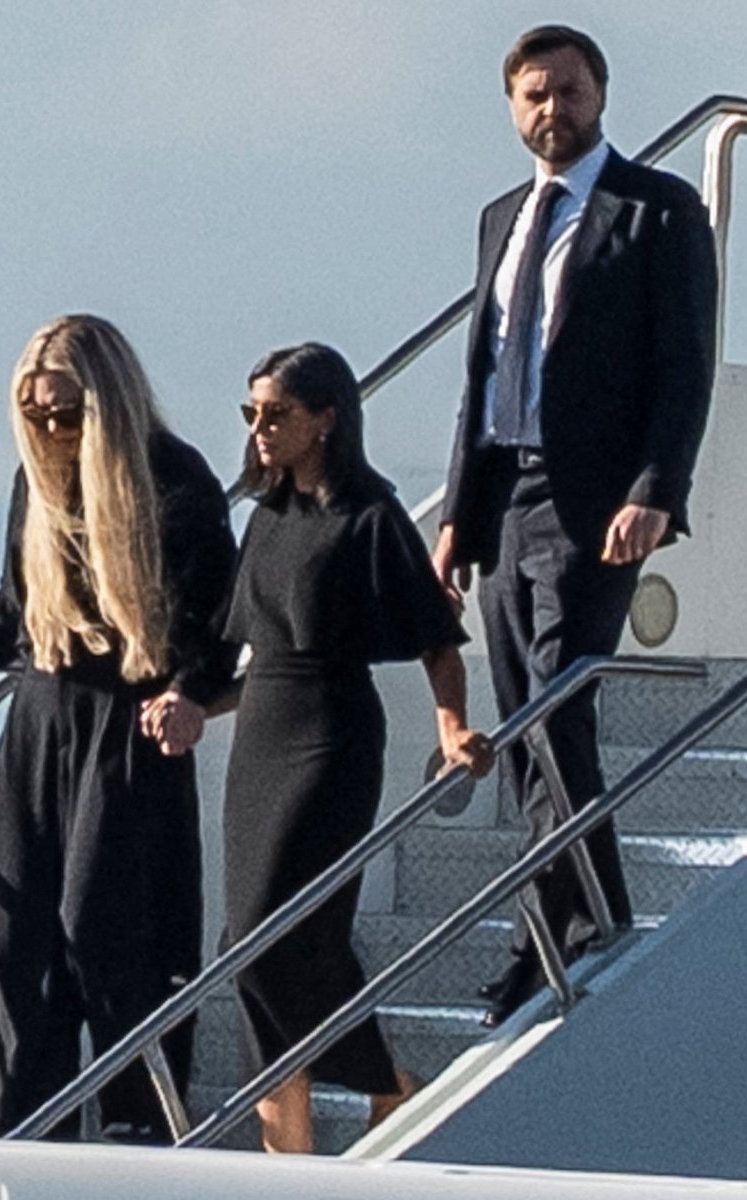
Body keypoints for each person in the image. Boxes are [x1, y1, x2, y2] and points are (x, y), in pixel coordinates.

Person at [0, 315, 237, 1139]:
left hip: (125, 727)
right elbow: (12, 616)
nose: (53, 431)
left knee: (109, 932)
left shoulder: (176, 481)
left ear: (110, 405)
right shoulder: (41, 485)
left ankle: (142, 1124)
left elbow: (217, 621)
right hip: (40, 724)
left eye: (68, 414)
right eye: (37, 417)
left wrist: (192, 694)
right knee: (18, 942)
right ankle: (19, 1131)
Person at [432, 26, 718, 1027]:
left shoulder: (659, 211)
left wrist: (655, 489)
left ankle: (576, 925)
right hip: (505, 495)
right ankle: (557, 924)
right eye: (533, 96)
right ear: (512, 109)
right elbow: (480, 374)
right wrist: (459, 519)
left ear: (601, 94)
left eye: (567, 91)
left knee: (559, 707)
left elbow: (685, 367)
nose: (552, 109)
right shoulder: (503, 218)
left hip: (594, 502)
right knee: (519, 727)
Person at [143, 342, 493, 1153]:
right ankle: (289, 1140)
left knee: (278, 933)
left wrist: (450, 727)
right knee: (248, 941)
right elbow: (248, 653)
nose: (261, 430)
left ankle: (388, 1085)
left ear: (326, 419)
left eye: (278, 414)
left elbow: (437, 640)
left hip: (331, 738)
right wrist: (189, 701)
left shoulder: (371, 518)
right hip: (262, 733)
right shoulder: (267, 518)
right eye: (252, 414)